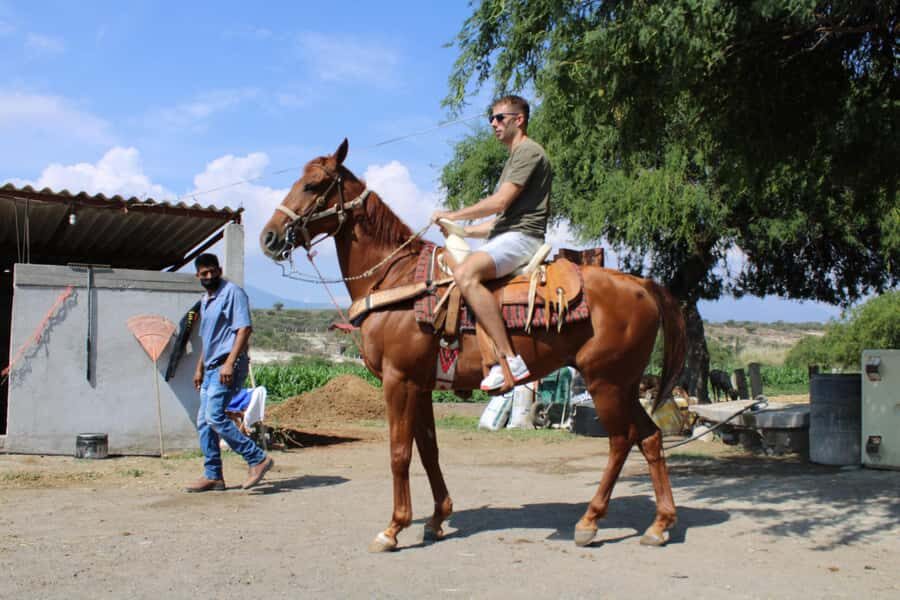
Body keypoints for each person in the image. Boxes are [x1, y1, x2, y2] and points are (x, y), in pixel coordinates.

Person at [431, 95, 551, 391]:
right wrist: (460, 230)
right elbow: (498, 223)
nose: (493, 124)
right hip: (508, 234)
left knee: (466, 273)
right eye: (491, 119)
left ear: (518, 119)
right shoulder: (514, 157)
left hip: (523, 238)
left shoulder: (529, 152)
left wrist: (452, 213)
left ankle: (509, 360)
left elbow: (500, 203)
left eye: (499, 118)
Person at [184, 253, 274, 492]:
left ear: (220, 269)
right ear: (198, 275)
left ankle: (257, 458)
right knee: (204, 422)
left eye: (213, 271)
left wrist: (229, 363)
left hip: (227, 365)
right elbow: (208, 339)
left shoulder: (232, 293)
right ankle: (213, 475)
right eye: (204, 273)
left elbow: (244, 329)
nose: (210, 276)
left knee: (214, 416)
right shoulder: (206, 300)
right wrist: (199, 368)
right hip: (211, 367)